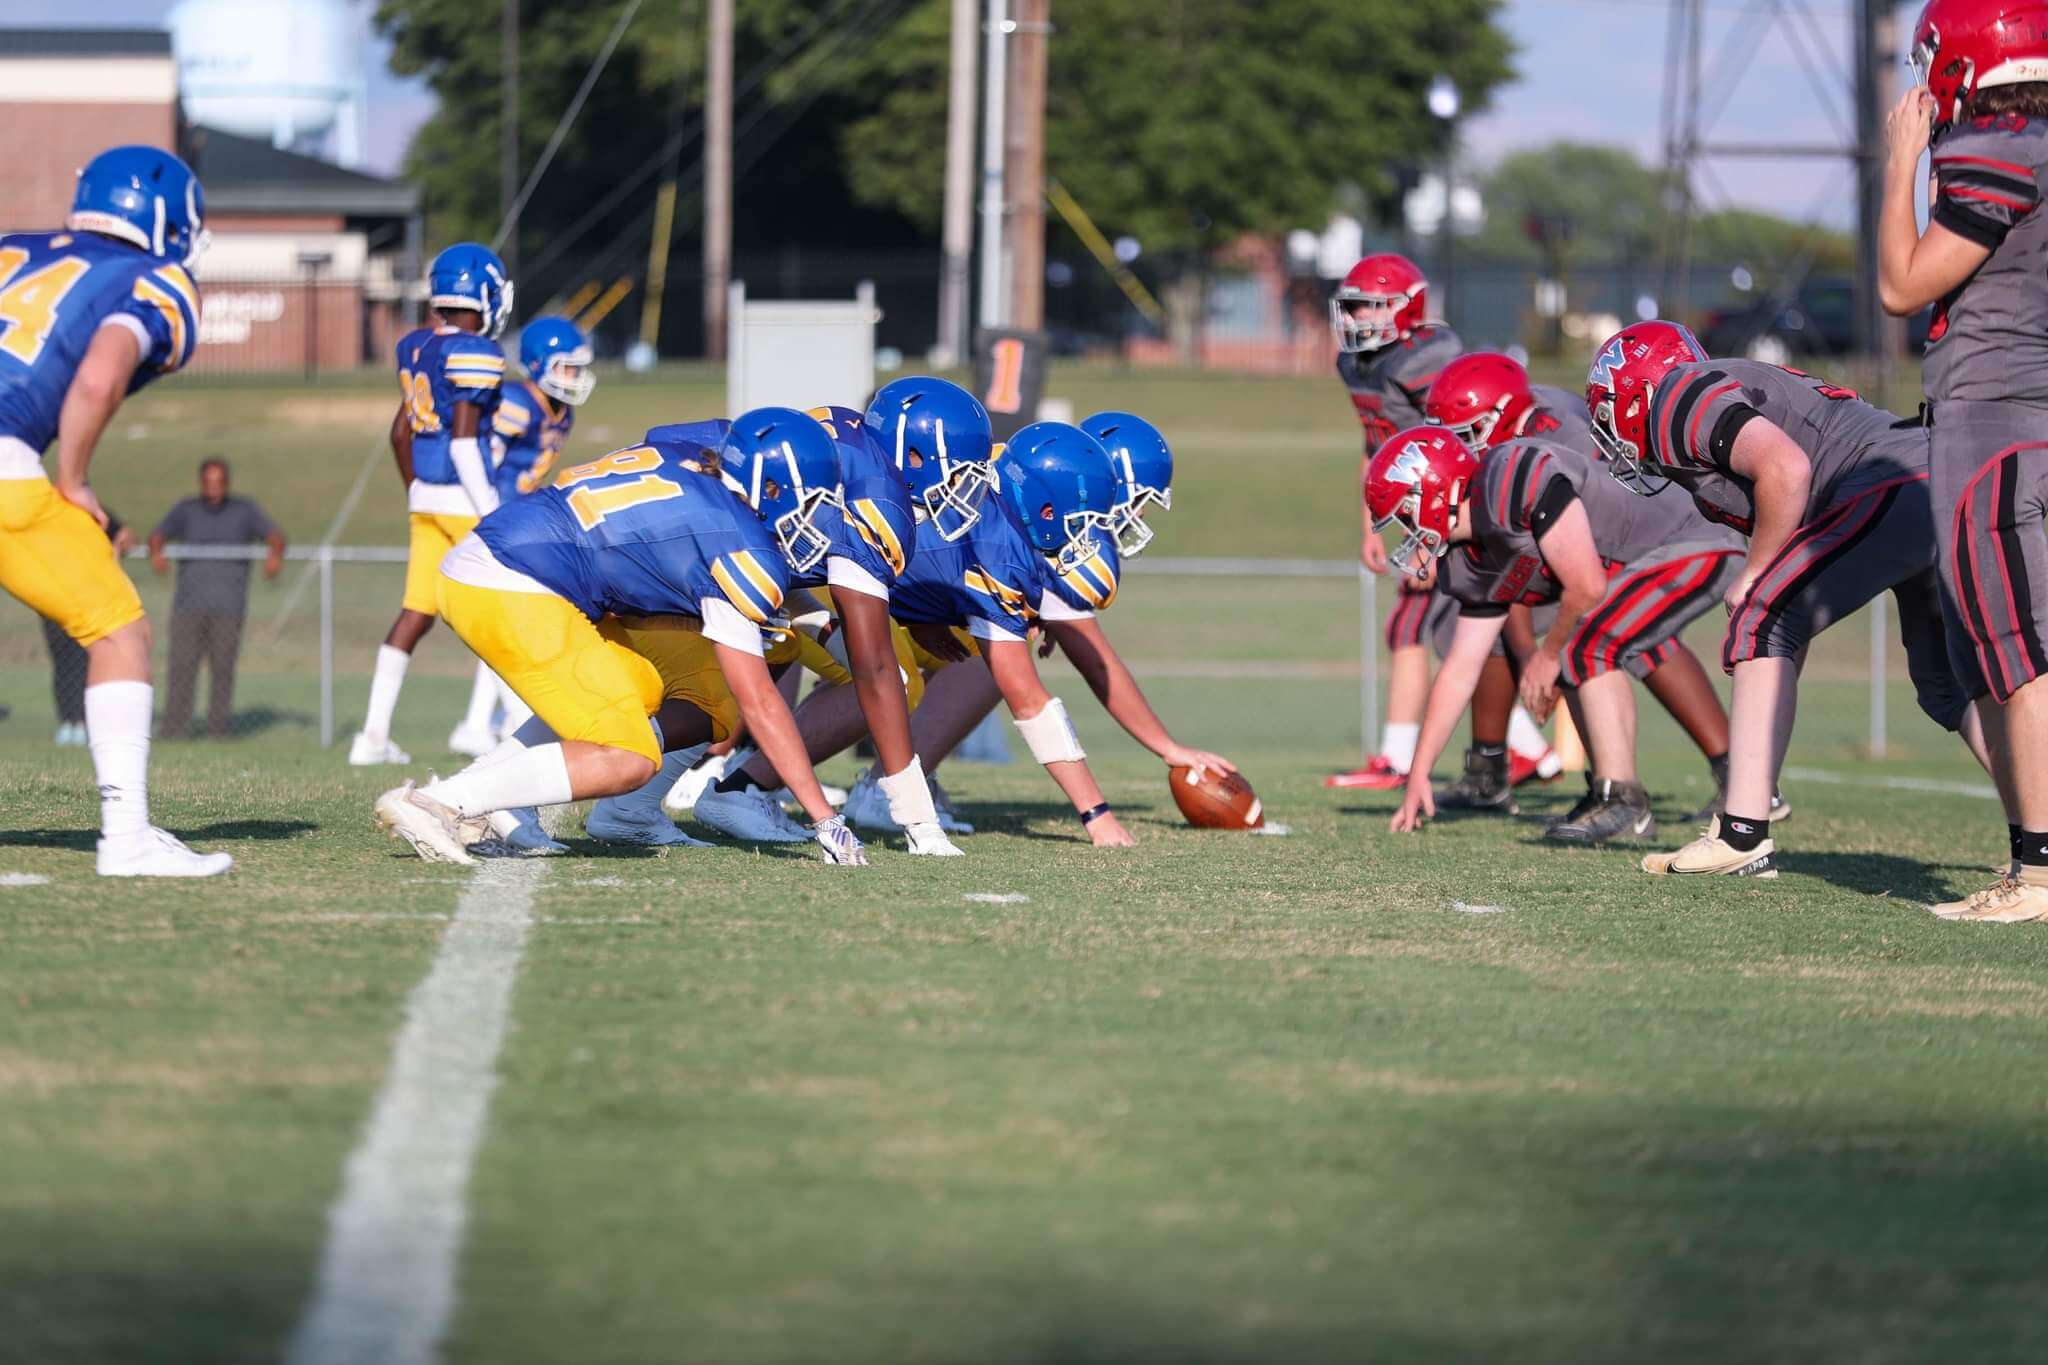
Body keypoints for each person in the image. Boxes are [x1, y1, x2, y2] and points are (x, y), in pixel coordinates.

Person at [373, 410, 867, 867]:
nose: (816, 519)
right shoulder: (736, 540)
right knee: (631, 757)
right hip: (516, 582)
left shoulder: (692, 463)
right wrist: (826, 818)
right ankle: (444, 803)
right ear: (772, 486)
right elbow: (758, 700)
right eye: (813, 502)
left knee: (642, 685)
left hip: (510, 559)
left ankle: (477, 795)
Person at [1587, 320, 1985, 877]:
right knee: (1950, 684)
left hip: (1893, 483)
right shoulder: (1718, 393)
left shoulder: (1678, 395)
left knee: (1763, 614)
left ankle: (1742, 833)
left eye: (1610, 411)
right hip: (1936, 475)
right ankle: (2038, 840)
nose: (1613, 434)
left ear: (1638, 391)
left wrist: (1756, 577)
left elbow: (1787, 469)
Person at [837, 410, 1239, 828]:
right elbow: (1094, 662)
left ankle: (866, 781)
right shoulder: (1048, 532)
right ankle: (865, 787)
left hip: (875, 589)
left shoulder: (1006, 471)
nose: (1135, 517)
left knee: (978, 647)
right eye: (1137, 502)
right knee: (972, 661)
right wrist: (1158, 756)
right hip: (854, 581)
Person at [0, 145, 229, 877]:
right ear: (165, 220)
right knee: (117, 630)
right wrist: (73, 478)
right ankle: (126, 837)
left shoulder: (13, 248)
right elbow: (99, 374)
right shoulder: (154, 278)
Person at [1879, 0, 2048, 921]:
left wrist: (1902, 161)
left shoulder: (2002, 148)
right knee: (2001, 641)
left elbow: (1902, 284)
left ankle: (2040, 871)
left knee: (2014, 649)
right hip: (2012, 406)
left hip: (1995, 412)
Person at [1373, 426, 1745, 845]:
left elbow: (1586, 585)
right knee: (1576, 651)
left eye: (1407, 513)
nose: (1408, 530)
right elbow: (1460, 669)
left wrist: (1544, 656)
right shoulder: (1468, 561)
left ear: (1437, 491)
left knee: (1583, 649)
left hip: (1694, 539)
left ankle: (1624, 802)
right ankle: (1607, 793)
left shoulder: (1511, 478)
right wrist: (1420, 770)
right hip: (1641, 564)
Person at [686, 397, 961, 854]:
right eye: (956, 473)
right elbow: (872, 665)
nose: (957, 490)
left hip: (732, 545)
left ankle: (648, 803)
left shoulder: (855, 446)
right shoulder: (875, 505)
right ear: (914, 455)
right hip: (689, 549)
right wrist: (919, 819)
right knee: (711, 674)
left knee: (810, 657)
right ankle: (695, 781)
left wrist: (814, 619)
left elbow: (782, 561)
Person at [1323, 256, 1557, 794]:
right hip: (1423, 508)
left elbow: (1462, 442)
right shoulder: (1354, 364)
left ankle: (1401, 759)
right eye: (1353, 304)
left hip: (1459, 505)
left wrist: (1442, 533)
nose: (1357, 315)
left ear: (1407, 309)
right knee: (1448, 636)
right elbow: (1376, 446)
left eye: (1370, 304)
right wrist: (1370, 527)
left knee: (1428, 629)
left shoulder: (1427, 360)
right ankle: (1529, 750)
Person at [349, 242, 514, 767]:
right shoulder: (475, 352)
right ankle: (510, 729)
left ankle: (371, 737)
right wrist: (491, 510)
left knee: (415, 614)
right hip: (466, 499)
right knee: (503, 612)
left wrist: (417, 492)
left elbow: (401, 433)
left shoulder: (414, 345)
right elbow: (466, 443)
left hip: (424, 499)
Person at [447, 315, 598, 759]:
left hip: (524, 523)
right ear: (538, 365)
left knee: (510, 625)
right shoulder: (515, 402)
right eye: (567, 368)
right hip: (496, 521)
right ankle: (488, 721)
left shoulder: (561, 409)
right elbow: (482, 456)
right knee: (506, 623)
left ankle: (483, 722)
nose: (576, 377)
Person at [148, 458, 284, 738]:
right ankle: (174, 729)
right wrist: (157, 552)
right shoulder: (187, 509)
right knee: (182, 668)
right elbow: (158, 534)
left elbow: (275, 535)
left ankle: (218, 731)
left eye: (219, 481)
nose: (214, 488)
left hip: (229, 607)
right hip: (188, 606)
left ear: (227, 482)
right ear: (201, 483)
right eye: (208, 482)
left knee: (222, 670)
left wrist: (274, 554)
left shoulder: (244, 510)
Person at [44, 509, 133, 747]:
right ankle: (67, 721)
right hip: (55, 599)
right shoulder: (48, 510)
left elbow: (125, 536)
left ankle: (85, 721)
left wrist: (116, 549)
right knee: (62, 661)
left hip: (89, 600)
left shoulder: (93, 510)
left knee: (87, 660)